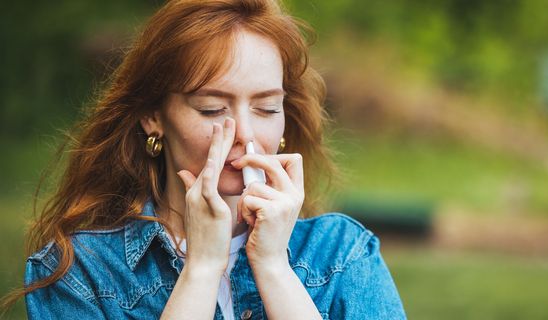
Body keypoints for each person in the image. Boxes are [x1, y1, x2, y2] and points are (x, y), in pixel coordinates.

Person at [19, 0, 407, 318]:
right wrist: (202, 269)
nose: (245, 134)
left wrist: (274, 267)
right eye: (211, 109)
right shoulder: (80, 273)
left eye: (267, 108)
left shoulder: (344, 254)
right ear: (154, 117)